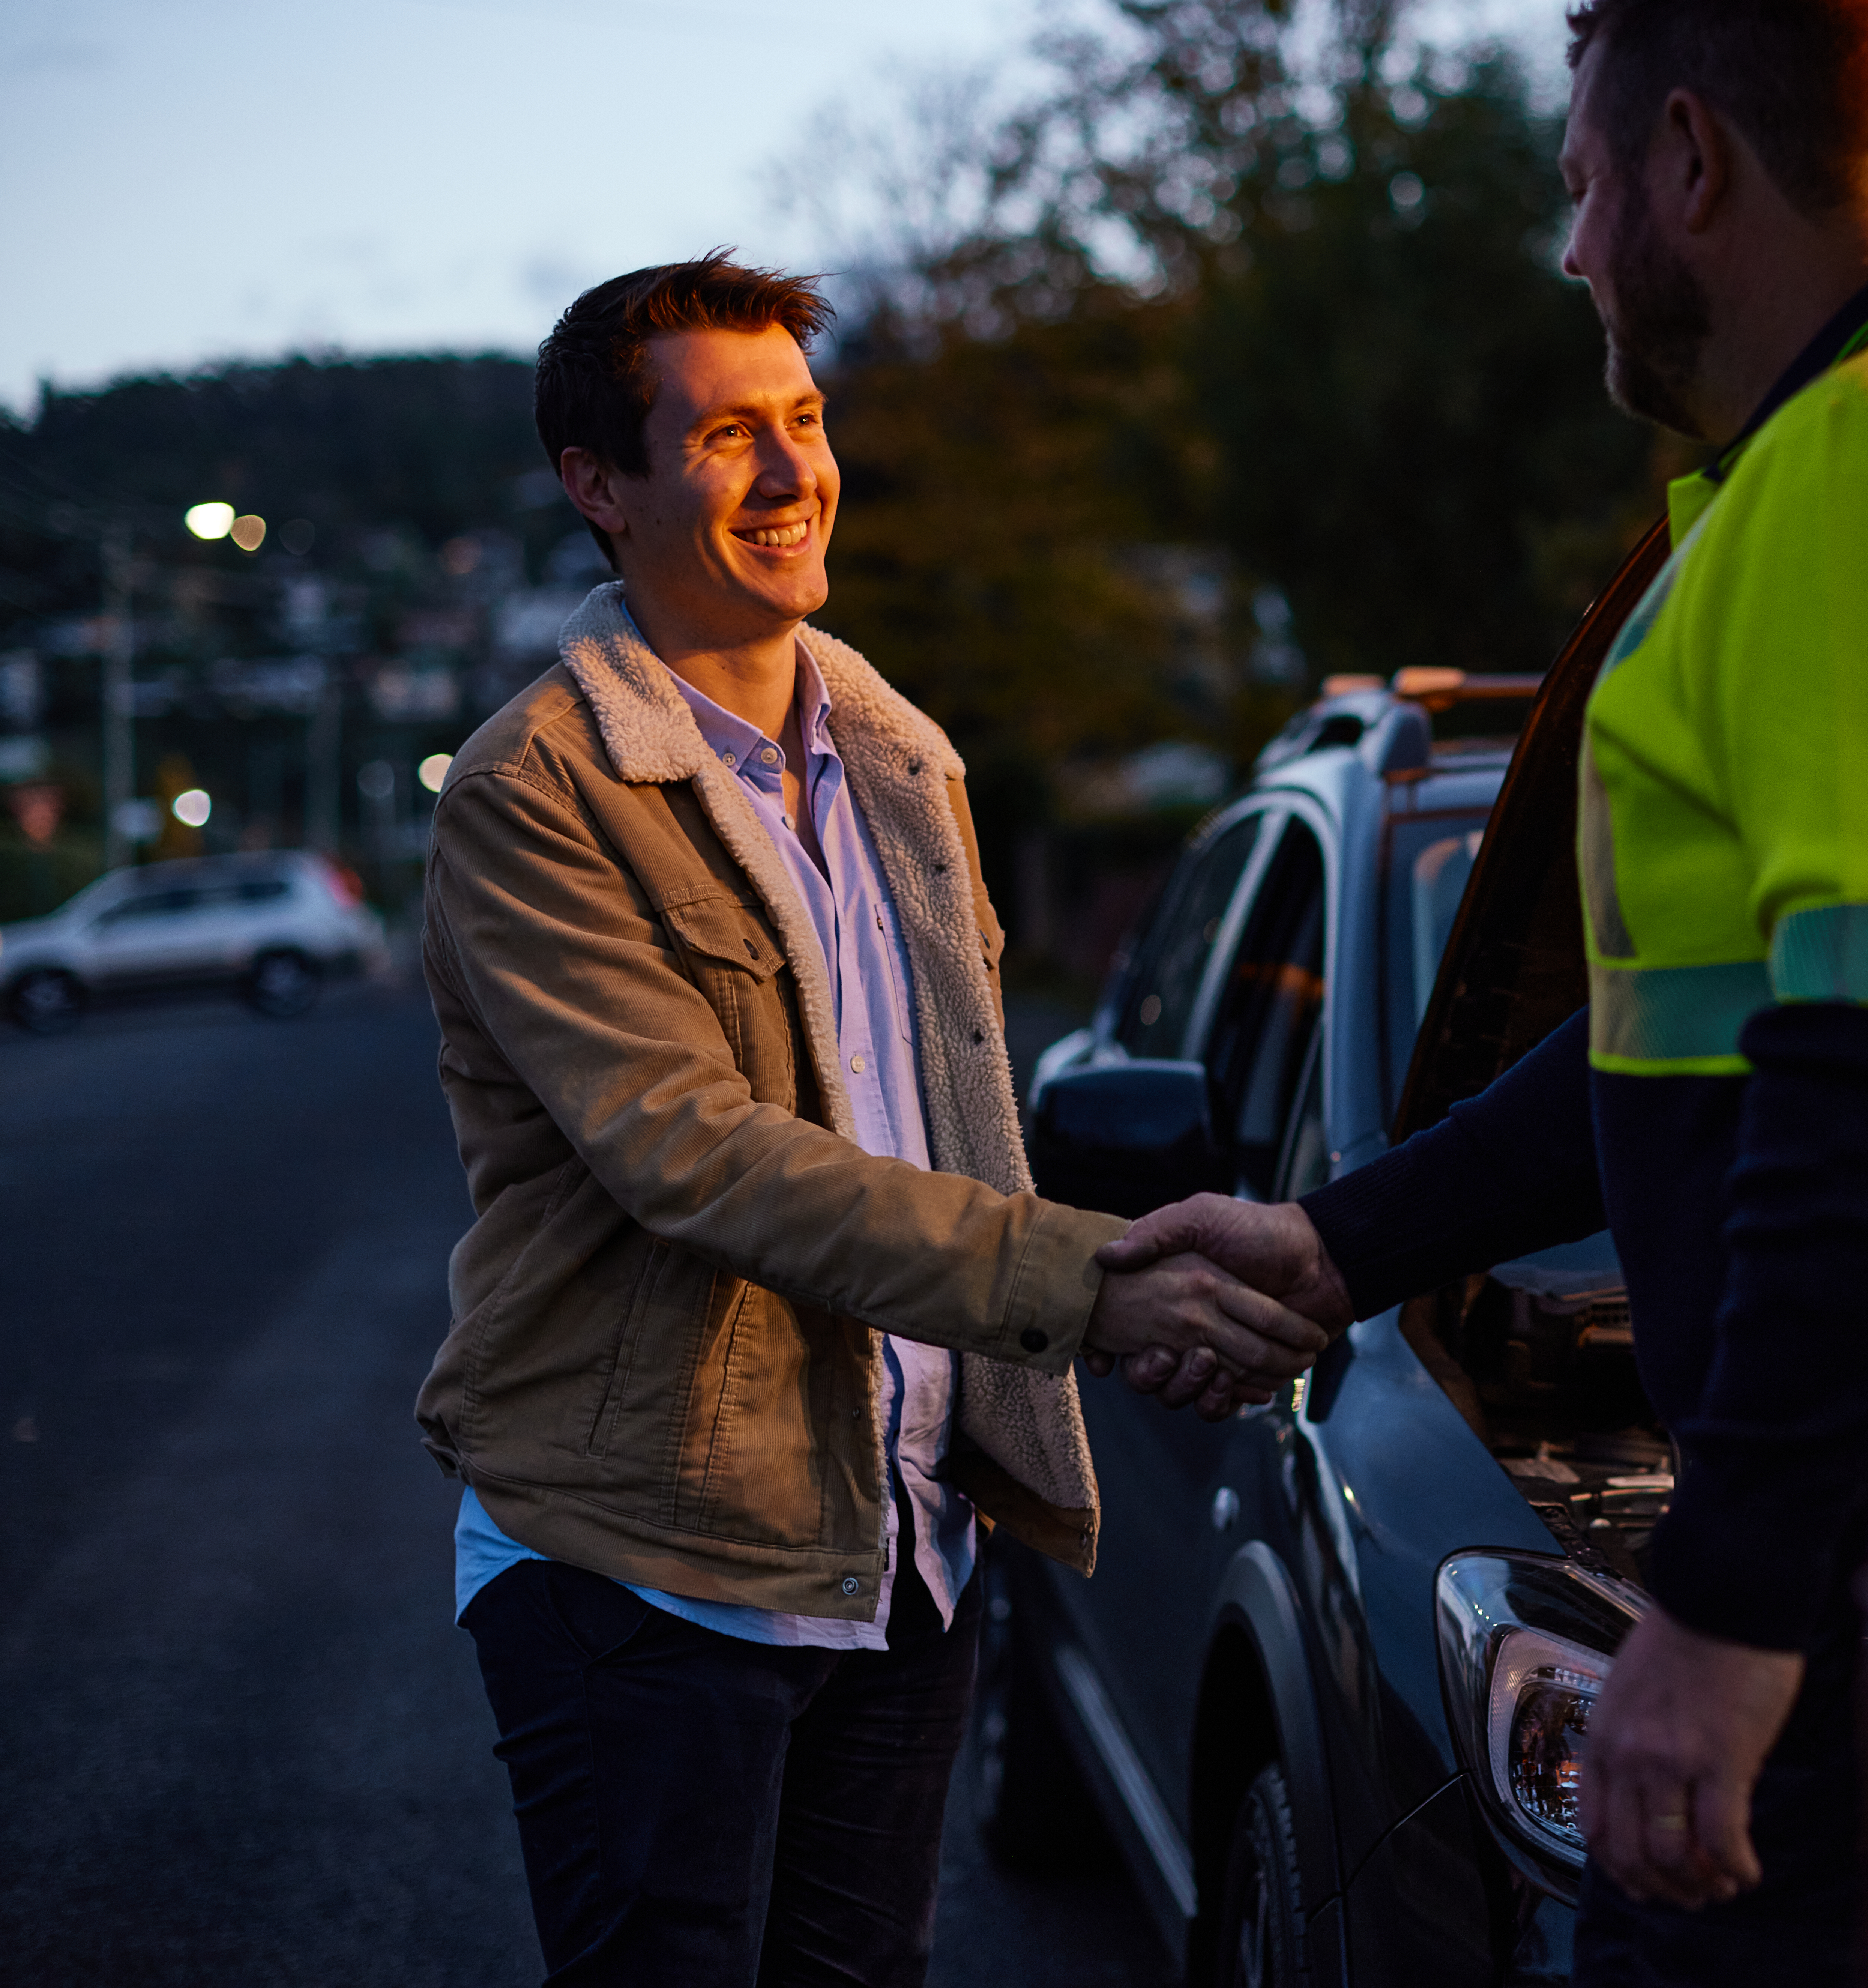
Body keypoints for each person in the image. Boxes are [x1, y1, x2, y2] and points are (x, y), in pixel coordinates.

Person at [1100, 0, 1868, 1982]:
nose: (1574, 250)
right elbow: (1671, 1047)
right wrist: (1341, 1242)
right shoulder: (1839, 459)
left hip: (1860, 1597)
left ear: (1692, 161)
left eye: (1585, 186)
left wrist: (1730, 1602)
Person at [415, 254, 1325, 1987]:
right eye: (729, 434)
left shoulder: (905, 757)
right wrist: (1089, 1284)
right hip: (647, 1560)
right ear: (597, 486)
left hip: (906, 1542)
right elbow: (697, 1152)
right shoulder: (532, 793)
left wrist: (1107, 1288)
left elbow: (948, 1113)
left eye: (809, 423)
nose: (791, 474)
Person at [0, 782, 100, 925]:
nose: (40, 815)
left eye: (46, 807)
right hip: (10, 932)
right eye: (31, 808)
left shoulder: (79, 853)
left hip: (64, 933)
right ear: (17, 811)